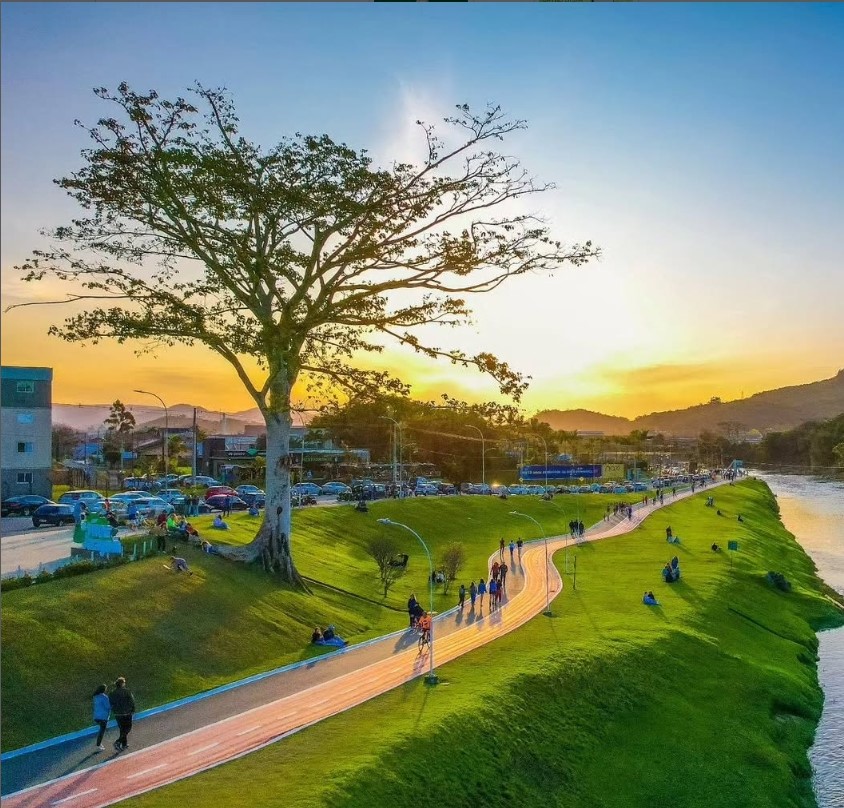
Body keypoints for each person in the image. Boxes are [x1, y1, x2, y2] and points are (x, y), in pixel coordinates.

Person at [109, 677, 135, 752]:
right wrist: (133, 709)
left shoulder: (112, 693)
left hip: (117, 714)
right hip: (127, 712)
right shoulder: (127, 691)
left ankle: (124, 744)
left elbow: (111, 703)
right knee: (128, 728)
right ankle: (118, 741)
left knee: (122, 728)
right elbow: (132, 701)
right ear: (122, 684)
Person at [92, 683, 111, 751]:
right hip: (103, 717)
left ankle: (99, 744)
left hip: (96, 716)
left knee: (102, 730)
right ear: (104, 690)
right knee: (102, 731)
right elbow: (108, 706)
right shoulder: (104, 697)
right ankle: (98, 745)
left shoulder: (95, 697)